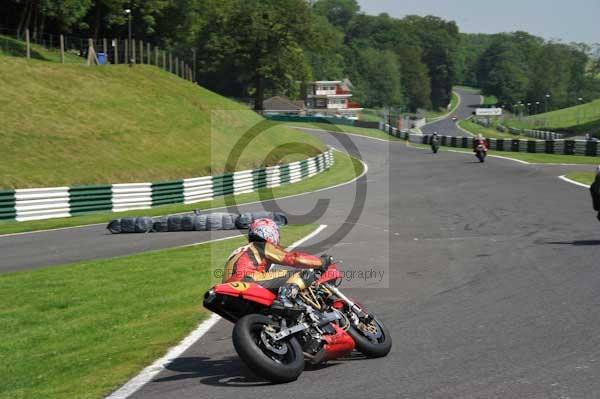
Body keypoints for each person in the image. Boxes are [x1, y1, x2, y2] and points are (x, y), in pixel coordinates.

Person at [222, 218, 331, 308]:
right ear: (269, 233)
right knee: (304, 273)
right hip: (247, 281)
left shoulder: (240, 250)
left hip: (228, 291)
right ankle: (285, 296)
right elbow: (293, 259)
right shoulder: (261, 245)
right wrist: (320, 262)